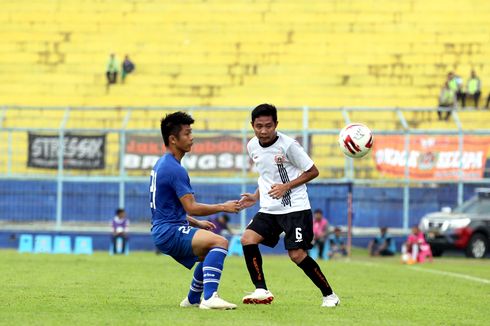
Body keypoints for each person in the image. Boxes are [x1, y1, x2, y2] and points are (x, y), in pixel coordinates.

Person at [238, 104, 339, 308]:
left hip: (295, 208)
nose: (263, 131)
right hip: (269, 208)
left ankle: (329, 295)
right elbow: (267, 175)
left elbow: (313, 171)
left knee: (297, 255)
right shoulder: (252, 146)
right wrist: (256, 196)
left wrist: (286, 187)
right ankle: (261, 289)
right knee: (248, 238)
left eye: (268, 126)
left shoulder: (289, 145)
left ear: (276, 124)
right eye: (259, 126)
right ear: (252, 126)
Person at [150, 111, 240, 310]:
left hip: (163, 229)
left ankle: (192, 299)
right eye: (187, 133)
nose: (192, 138)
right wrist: (224, 207)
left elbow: (168, 207)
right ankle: (209, 298)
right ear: (173, 139)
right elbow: (191, 206)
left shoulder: (161, 164)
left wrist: (196, 223)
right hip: (169, 232)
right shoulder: (174, 169)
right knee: (220, 242)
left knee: (211, 250)